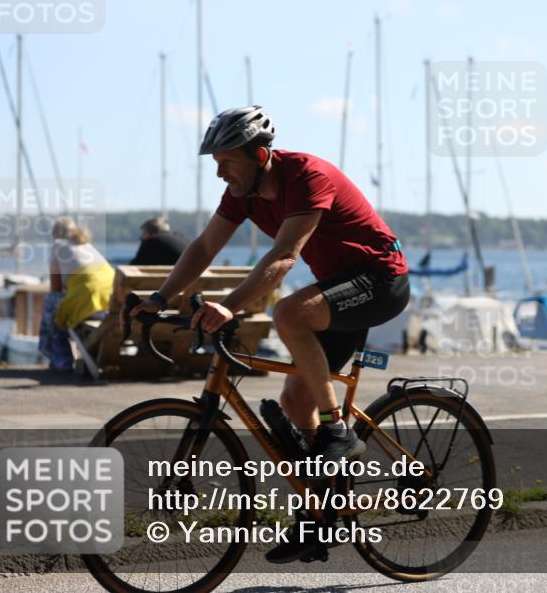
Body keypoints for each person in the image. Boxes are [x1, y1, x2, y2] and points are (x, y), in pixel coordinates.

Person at [127, 106, 409, 559]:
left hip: (380, 281)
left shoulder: (307, 176)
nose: (219, 174)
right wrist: (160, 299)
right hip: (336, 289)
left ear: (260, 156)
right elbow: (203, 247)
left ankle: (338, 430)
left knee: (290, 314)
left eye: (226, 162)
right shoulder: (243, 192)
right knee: (295, 401)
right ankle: (317, 518)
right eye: (215, 163)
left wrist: (230, 305)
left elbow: (283, 256)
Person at [39, 217, 115, 371]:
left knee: (52, 305)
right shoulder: (86, 245)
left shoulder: (57, 245)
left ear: (55, 234)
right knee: (59, 305)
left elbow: (56, 288)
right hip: (110, 299)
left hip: (90, 299)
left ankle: (62, 359)